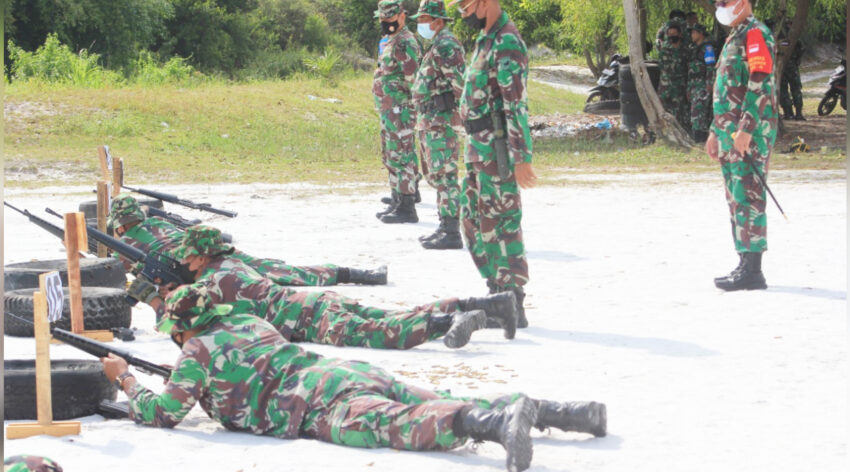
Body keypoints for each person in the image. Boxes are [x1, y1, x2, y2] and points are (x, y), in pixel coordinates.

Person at [101, 287, 606, 472]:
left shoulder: (195, 350)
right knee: (430, 395)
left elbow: (164, 414)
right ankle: (565, 413)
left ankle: (491, 425)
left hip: (314, 408)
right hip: (338, 372)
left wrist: (126, 380)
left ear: (185, 327)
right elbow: (240, 368)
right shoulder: (249, 322)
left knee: (404, 424)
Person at [129, 225, 520, 349]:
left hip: (308, 319)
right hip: (314, 301)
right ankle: (489, 305)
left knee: (385, 332)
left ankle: (447, 325)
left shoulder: (213, 282)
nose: (184, 261)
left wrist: (154, 298)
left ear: (201, 256)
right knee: (393, 314)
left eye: (189, 257)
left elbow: (182, 322)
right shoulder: (234, 264)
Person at [448, 0, 536, 328]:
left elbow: (515, 104)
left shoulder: (507, 42)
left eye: (466, 6)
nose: (464, 14)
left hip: (497, 150)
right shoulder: (485, 39)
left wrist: (522, 157)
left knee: (502, 224)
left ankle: (512, 299)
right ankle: (496, 291)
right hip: (477, 149)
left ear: (484, 1)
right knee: (472, 221)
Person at [108, 194, 387, 286]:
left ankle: (352, 274)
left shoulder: (125, 246)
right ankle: (355, 273)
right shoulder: (156, 221)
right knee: (279, 270)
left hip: (196, 267)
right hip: (210, 251)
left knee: (267, 281)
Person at [705, 0, 778, 291]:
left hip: (749, 133)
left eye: (724, 2)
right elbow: (726, 91)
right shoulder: (736, 35)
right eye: (718, 3)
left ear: (742, 0)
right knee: (736, 197)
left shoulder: (756, 35)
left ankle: (754, 271)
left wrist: (746, 129)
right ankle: (743, 263)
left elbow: (759, 83)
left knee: (749, 195)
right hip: (728, 133)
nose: (720, 8)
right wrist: (713, 131)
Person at [410, 0, 466, 249]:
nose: (420, 24)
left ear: (438, 21)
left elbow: (460, 84)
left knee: (445, 174)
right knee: (436, 174)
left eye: (423, 20)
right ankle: (445, 225)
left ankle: (452, 231)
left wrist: (459, 115)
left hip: (441, 120)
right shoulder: (437, 44)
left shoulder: (447, 46)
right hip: (430, 119)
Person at [372, 0, 423, 224]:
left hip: (401, 110)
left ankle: (407, 206)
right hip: (389, 110)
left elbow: (414, 79)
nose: (386, 22)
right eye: (383, 18)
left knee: (401, 156)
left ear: (402, 16)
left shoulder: (404, 41)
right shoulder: (391, 40)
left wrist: (414, 109)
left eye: (390, 17)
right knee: (391, 154)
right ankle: (397, 198)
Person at [658, 22, 690, 132]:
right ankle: (666, 131)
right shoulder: (665, 50)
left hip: (680, 86)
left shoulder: (685, 50)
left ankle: (682, 132)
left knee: (680, 110)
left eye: (674, 33)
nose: (672, 36)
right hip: (665, 86)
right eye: (669, 34)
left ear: (680, 34)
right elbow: (662, 66)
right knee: (664, 110)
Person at [687, 23, 717, 143]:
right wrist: (689, 88)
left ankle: (700, 139)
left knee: (700, 113)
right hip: (694, 85)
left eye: (694, 32)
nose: (692, 35)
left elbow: (710, 67)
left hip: (702, 85)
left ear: (701, 33)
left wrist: (709, 83)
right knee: (695, 112)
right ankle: (698, 138)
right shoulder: (694, 49)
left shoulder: (707, 48)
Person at [777, 21, 806, 120]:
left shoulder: (778, 37)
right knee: (794, 90)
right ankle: (797, 114)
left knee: (785, 91)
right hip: (791, 67)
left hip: (782, 67)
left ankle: (789, 113)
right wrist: (797, 60)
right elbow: (802, 48)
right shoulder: (793, 37)